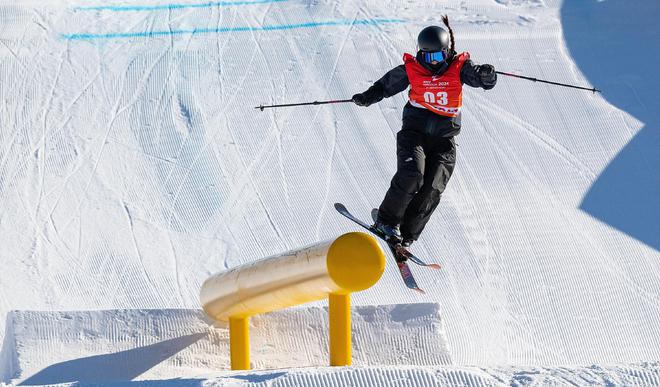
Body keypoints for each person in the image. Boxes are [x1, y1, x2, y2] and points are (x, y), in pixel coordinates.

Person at [352, 16, 497, 247]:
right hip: (415, 134)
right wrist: (367, 96)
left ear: (446, 52)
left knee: (432, 188)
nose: (432, 62)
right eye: (427, 56)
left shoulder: (459, 68)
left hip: (444, 140)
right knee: (413, 174)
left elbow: (481, 79)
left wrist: (486, 76)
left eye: (438, 56)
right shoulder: (413, 68)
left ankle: (408, 234)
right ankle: (386, 220)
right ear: (420, 52)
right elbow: (386, 85)